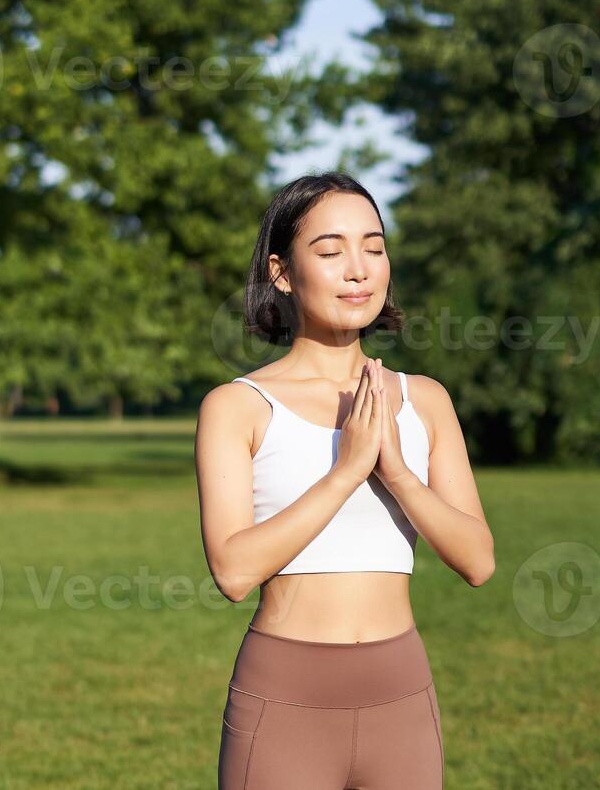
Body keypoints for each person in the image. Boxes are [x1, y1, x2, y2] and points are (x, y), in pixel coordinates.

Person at [194, 172, 496, 789]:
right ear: (282, 272)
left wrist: (398, 475)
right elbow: (232, 570)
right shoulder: (239, 406)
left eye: (374, 247)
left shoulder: (425, 400)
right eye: (330, 252)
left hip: (402, 696)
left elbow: (478, 561)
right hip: (284, 700)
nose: (358, 269)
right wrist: (348, 469)